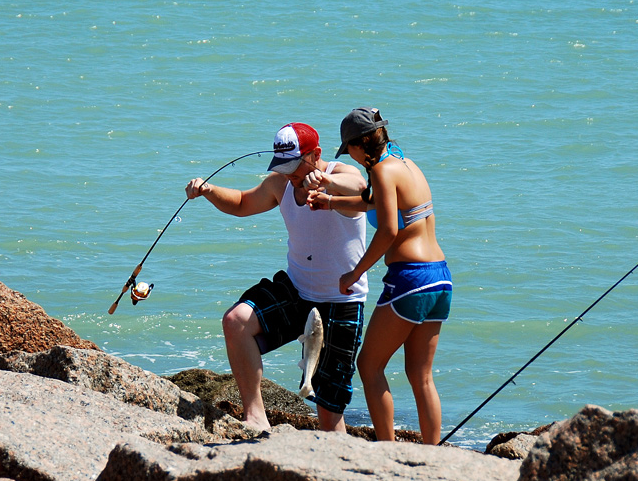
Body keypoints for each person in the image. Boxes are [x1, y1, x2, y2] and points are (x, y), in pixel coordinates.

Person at [185, 122, 369, 432]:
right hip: (296, 291)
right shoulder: (280, 184)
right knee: (236, 321)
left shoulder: (342, 174)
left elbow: (362, 190)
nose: (289, 175)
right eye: (283, 167)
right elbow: (243, 203)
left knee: (328, 408)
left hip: (341, 300)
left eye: (295, 167)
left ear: (315, 155)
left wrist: (326, 180)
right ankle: (256, 417)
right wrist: (208, 191)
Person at [309, 108, 451, 445]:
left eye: (350, 151)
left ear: (359, 145)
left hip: (410, 280)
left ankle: (387, 451)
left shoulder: (384, 171)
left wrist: (354, 273)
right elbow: (375, 202)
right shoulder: (404, 164)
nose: (353, 159)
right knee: (421, 375)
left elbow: (387, 230)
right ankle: (434, 454)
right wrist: (330, 201)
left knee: (369, 366)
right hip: (440, 278)